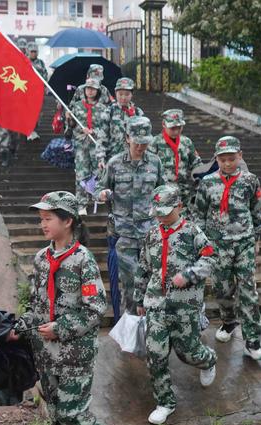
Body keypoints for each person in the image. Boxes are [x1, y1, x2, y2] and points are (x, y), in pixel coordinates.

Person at [13, 191, 117, 425]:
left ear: (68, 220)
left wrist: (61, 328)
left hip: (76, 353)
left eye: (48, 218)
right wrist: (19, 328)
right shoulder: (41, 259)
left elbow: (95, 307)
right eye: (41, 219)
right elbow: (36, 306)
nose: (43, 224)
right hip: (46, 354)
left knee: (72, 414)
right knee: (57, 419)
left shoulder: (83, 260)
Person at [133, 184, 218, 425]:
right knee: (155, 355)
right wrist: (139, 298)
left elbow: (211, 257)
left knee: (187, 352)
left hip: (185, 306)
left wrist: (189, 274)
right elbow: (143, 268)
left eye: (166, 211)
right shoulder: (152, 235)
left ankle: (208, 360)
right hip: (157, 304)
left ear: (179, 206)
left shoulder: (192, 231)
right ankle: (165, 402)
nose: (161, 216)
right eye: (157, 212)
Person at [194, 136, 261, 360]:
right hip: (217, 245)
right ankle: (228, 322)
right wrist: (201, 243)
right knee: (223, 289)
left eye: (232, 159)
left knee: (248, 291)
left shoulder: (250, 180)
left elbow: (256, 209)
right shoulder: (207, 183)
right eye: (223, 159)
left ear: (240, 156)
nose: (227, 163)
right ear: (217, 159)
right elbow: (199, 214)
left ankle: (253, 342)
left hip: (243, 242)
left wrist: (256, 238)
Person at [95, 116, 164, 314]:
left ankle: (151, 327)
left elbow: (163, 188)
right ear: (127, 138)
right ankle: (131, 325)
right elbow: (98, 187)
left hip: (149, 233)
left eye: (145, 143)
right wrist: (101, 193)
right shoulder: (115, 163)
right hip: (124, 233)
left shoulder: (155, 162)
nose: (141, 147)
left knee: (152, 280)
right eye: (137, 142)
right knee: (131, 282)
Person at [149, 109, 203, 218]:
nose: (176, 131)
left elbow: (196, 163)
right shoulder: (155, 143)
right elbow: (149, 167)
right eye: (173, 128)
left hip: (183, 192)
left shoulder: (186, 142)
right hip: (163, 192)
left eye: (179, 127)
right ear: (164, 124)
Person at [68, 77, 110, 216]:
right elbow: (71, 126)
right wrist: (69, 118)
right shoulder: (77, 105)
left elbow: (106, 128)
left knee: (98, 172)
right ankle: (81, 204)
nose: (90, 91)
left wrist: (94, 131)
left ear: (98, 90)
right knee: (81, 173)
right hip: (81, 144)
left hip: (96, 146)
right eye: (88, 88)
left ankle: (97, 196)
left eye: (93, 89)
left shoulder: (103, 108)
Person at [108, 77, 144, 158]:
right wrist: (101, 157)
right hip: (113, 156)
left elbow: (144, 135)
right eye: (120, 94)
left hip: (133, 157)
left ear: (132, 94)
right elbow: (102, 136)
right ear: (115, 93)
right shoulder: (109, 111)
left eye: (127, 94)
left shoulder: (138, 112)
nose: (123, 97)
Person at [27, 42, 48, 142]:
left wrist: (45, 87)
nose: (34, 54)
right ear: (28, 51)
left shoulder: (41, 63)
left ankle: (34, 130)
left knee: (38, 113)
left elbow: (45, 75)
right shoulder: (24, 61)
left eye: (35, 52)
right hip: (26, 92)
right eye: (32, 52)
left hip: (38, 92)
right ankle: (28, 130)